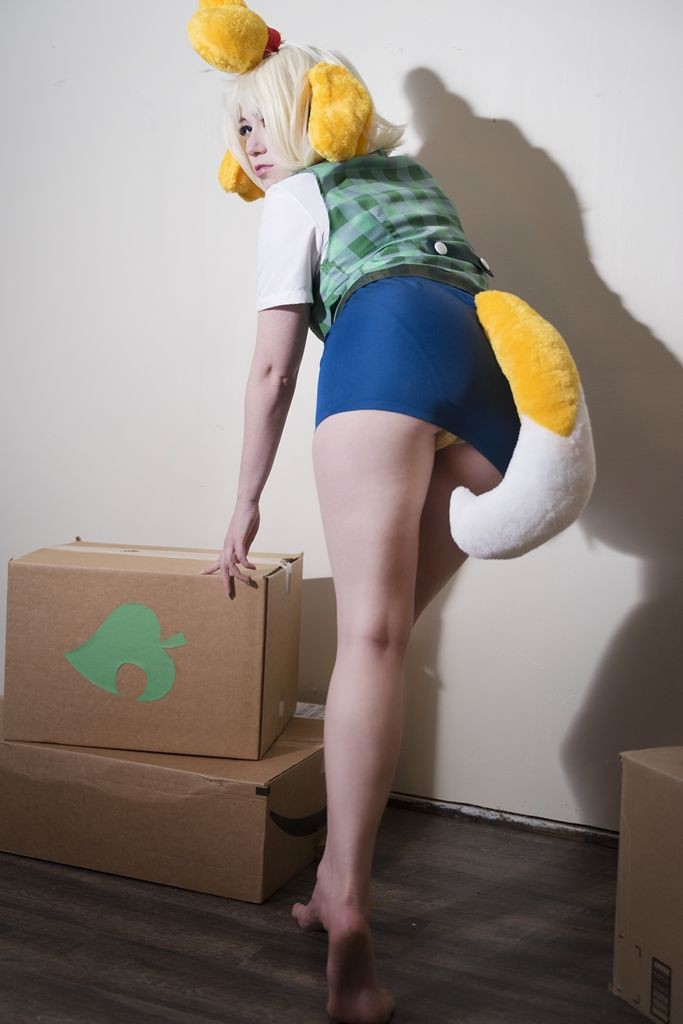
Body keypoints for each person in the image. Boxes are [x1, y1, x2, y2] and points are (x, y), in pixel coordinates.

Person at [199, 40, 521, 1024]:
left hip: (387, 352)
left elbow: (272, 370)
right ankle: (332, 880)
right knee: (387, 638)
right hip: (494, 385)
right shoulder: (416, 179)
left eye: (263, 120)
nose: (251, 144)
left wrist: (244, 499)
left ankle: (348, 911)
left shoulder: (299, 196)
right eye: (238, 128)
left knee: (367, 642)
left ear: (312, 114)